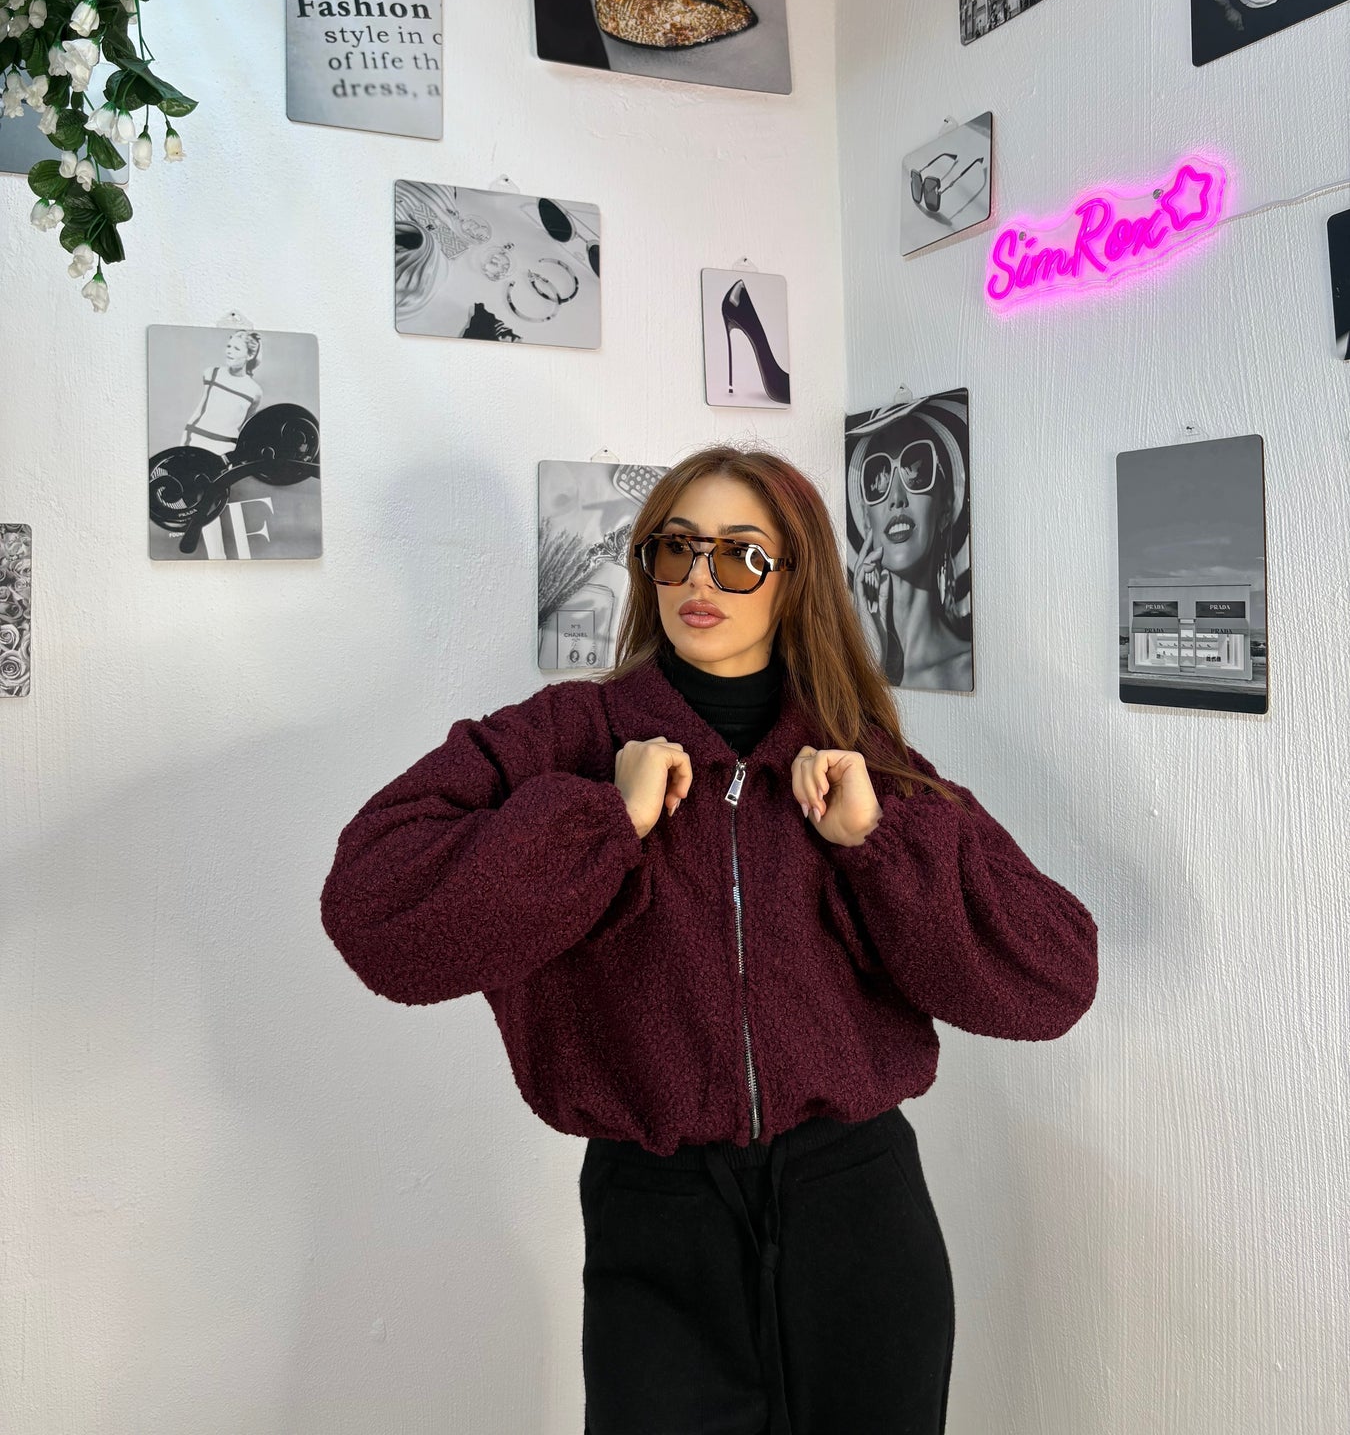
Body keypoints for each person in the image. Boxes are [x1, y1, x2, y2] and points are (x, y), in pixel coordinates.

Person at [320, 445, 1098, 1434]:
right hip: (657, 1224)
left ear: (795, 578)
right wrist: (602, 821)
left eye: (740, 555)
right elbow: (374, 911)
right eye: (676, 549)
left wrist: (878, 844)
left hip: (860, 1218)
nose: (700, 578)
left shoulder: (857, 759)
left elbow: (1054, 978)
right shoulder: (567, 739)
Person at [848, 396, 973, 692]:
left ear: (944, 509)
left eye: (916, 469)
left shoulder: (965, 669)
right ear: (867, 519)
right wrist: (868, 665)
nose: (896, 497)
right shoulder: (843, 670)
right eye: (878, 478)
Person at [179, 329, 263, 559]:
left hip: (223, 449)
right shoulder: (211, 373)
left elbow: (243, 423)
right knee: (190, 496)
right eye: (228, 346)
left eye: (236, 348)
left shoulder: (254, 391)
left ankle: (217, 557)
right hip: (196, 440)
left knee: (211, 501)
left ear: (249, 355)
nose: (229, 351)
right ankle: (208, 554)